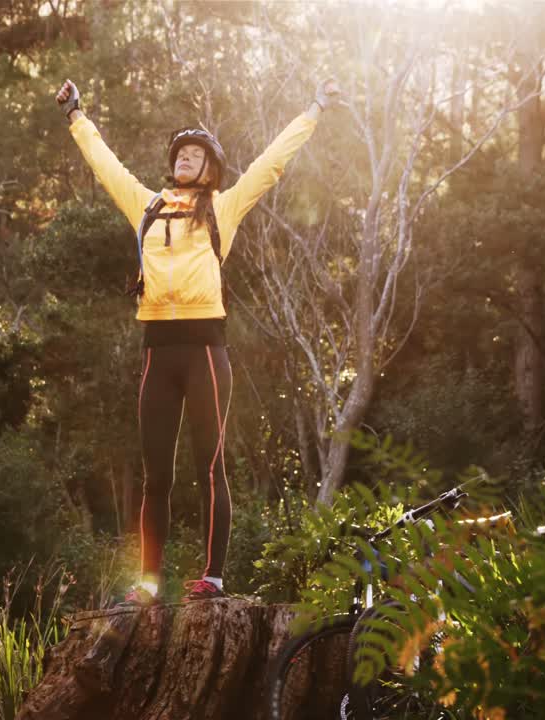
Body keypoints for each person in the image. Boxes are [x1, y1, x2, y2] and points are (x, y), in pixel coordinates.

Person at [55, 77, 341, 605]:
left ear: (210, 169)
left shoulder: (222, 210)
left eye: (196, 154)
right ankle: (148, 584)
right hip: (157, 351)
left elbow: (271, 164)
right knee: (155, 476)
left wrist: (315, 109)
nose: (185, 158)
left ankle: (213, 578)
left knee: (209, 467)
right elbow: (105, 164)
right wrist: (77, 114)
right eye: (181, 153)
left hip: (206, 350)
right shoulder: (146, 207)